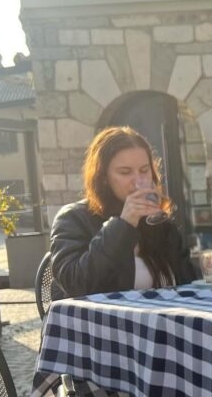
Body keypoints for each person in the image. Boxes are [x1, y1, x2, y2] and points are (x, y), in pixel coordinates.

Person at [50, 125, 195, 299]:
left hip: (161, 321)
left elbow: (187, 280)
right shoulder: (73, 218)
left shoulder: (158, 223)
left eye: (144, 170)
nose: (138, 180)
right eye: (125, 172)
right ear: (103, 177)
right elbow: (77, 284)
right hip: (102, 323)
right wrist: (124, 224)